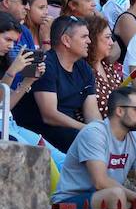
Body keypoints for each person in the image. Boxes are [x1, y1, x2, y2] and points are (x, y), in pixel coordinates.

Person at [51, 87, 136, 209]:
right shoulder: (94, 132)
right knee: (116, 195)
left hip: (103, 200)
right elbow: (100, 182)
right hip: (70, 202)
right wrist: (134, 198)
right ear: (119, 111)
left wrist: (135, 198)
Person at [12, 15, 101, 152]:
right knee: (88, 144)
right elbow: (49, 116)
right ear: (66, 40)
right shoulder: (45, 65)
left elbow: (92, 111)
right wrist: (86, 129)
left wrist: (101, 132)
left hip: (67, 130)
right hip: (39, 133)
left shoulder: (83, 67)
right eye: (84, 37)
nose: (89, 41)